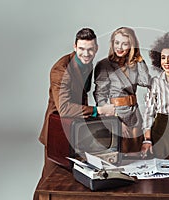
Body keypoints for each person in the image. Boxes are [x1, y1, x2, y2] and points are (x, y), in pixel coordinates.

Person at [38, 28, 115, 181]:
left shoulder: (88, 63)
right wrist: (99, 110)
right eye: (81, 49)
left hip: (76, 129)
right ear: (74, 47)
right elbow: (64, 108)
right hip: (57, 131)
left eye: (90, 49)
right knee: (50, 182)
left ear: (96, 49)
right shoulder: (60, 70)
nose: (86, 54)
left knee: (76, 181)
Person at [93, 27, 151, 153]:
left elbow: (146, 81)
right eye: (117, 42)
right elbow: (100, 96)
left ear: (131, 45)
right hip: (117, 115)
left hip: (135, 114)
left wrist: (140, 59)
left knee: (137, 156)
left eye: (125, 44)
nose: (119, 47)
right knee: (121, 156)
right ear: (112, 43)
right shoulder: (104, 65)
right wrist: (115, 121)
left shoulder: (134, 64)